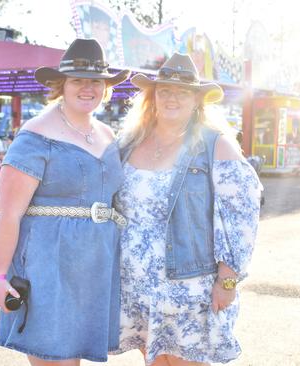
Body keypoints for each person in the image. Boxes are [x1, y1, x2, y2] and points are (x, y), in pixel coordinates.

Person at [113, 53, 262, 365]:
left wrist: (228, 281)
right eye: (164, 90)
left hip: (189, 286)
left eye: (182, 92)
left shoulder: (214, 145)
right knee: (153, 360)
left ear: (197, 101)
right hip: (137, 284)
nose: (172, 97)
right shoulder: (128, 143)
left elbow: (242, 217)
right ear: (152, 98)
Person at [0, 38, 130, 364]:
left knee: (73, 359)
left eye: (95, 81)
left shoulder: (107, 135)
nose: (87, 88)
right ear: (61, 85)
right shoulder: (36, 134)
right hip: (48, 265)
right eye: (78, 79)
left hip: (95, 266)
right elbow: (7, 214)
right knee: (55, 359)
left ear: (105, 87)